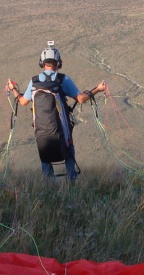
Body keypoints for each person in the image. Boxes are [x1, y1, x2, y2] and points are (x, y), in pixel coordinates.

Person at [6, 42, 107, 181]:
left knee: (45, 157)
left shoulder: (34, 82)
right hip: (61, 131)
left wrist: (13, 88)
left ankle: (49, 189)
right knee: (69, 152)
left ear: (42, 62)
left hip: (41, 131)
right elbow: (81, 98)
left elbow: (23, 101)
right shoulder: (63, 79)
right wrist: (98, 89)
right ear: (58, 63)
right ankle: (70, 185)